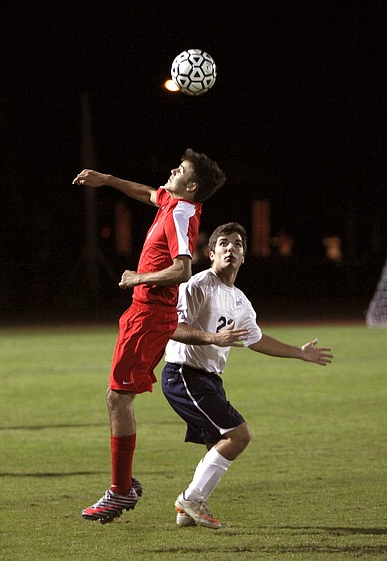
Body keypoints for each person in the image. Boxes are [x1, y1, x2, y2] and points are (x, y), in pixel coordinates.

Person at [74, 148, 226, 523]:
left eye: (180, 169)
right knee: (117, 397)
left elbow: (182, 270)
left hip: (149, 315)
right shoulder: (174, 201)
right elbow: (146, 192)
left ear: (191, 185)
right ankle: (124, 484)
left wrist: (137, 278)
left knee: (117, 398)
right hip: (143, 313)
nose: (172, 169)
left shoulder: (179, 213)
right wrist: (107, 179)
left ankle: (121, 491)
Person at [162, 222, 333, 529]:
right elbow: (172, 328)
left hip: (209, 379)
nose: (231, 248)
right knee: (239, 435)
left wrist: (299, 352)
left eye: (238, 244)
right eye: (224, 244)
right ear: (210, 252)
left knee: (218, 442)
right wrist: (214, 338)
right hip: (184, 374)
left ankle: (187, 511)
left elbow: (255, 338)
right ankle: (190, 499)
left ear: (244, 257)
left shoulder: (239, 299)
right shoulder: (197, 285)